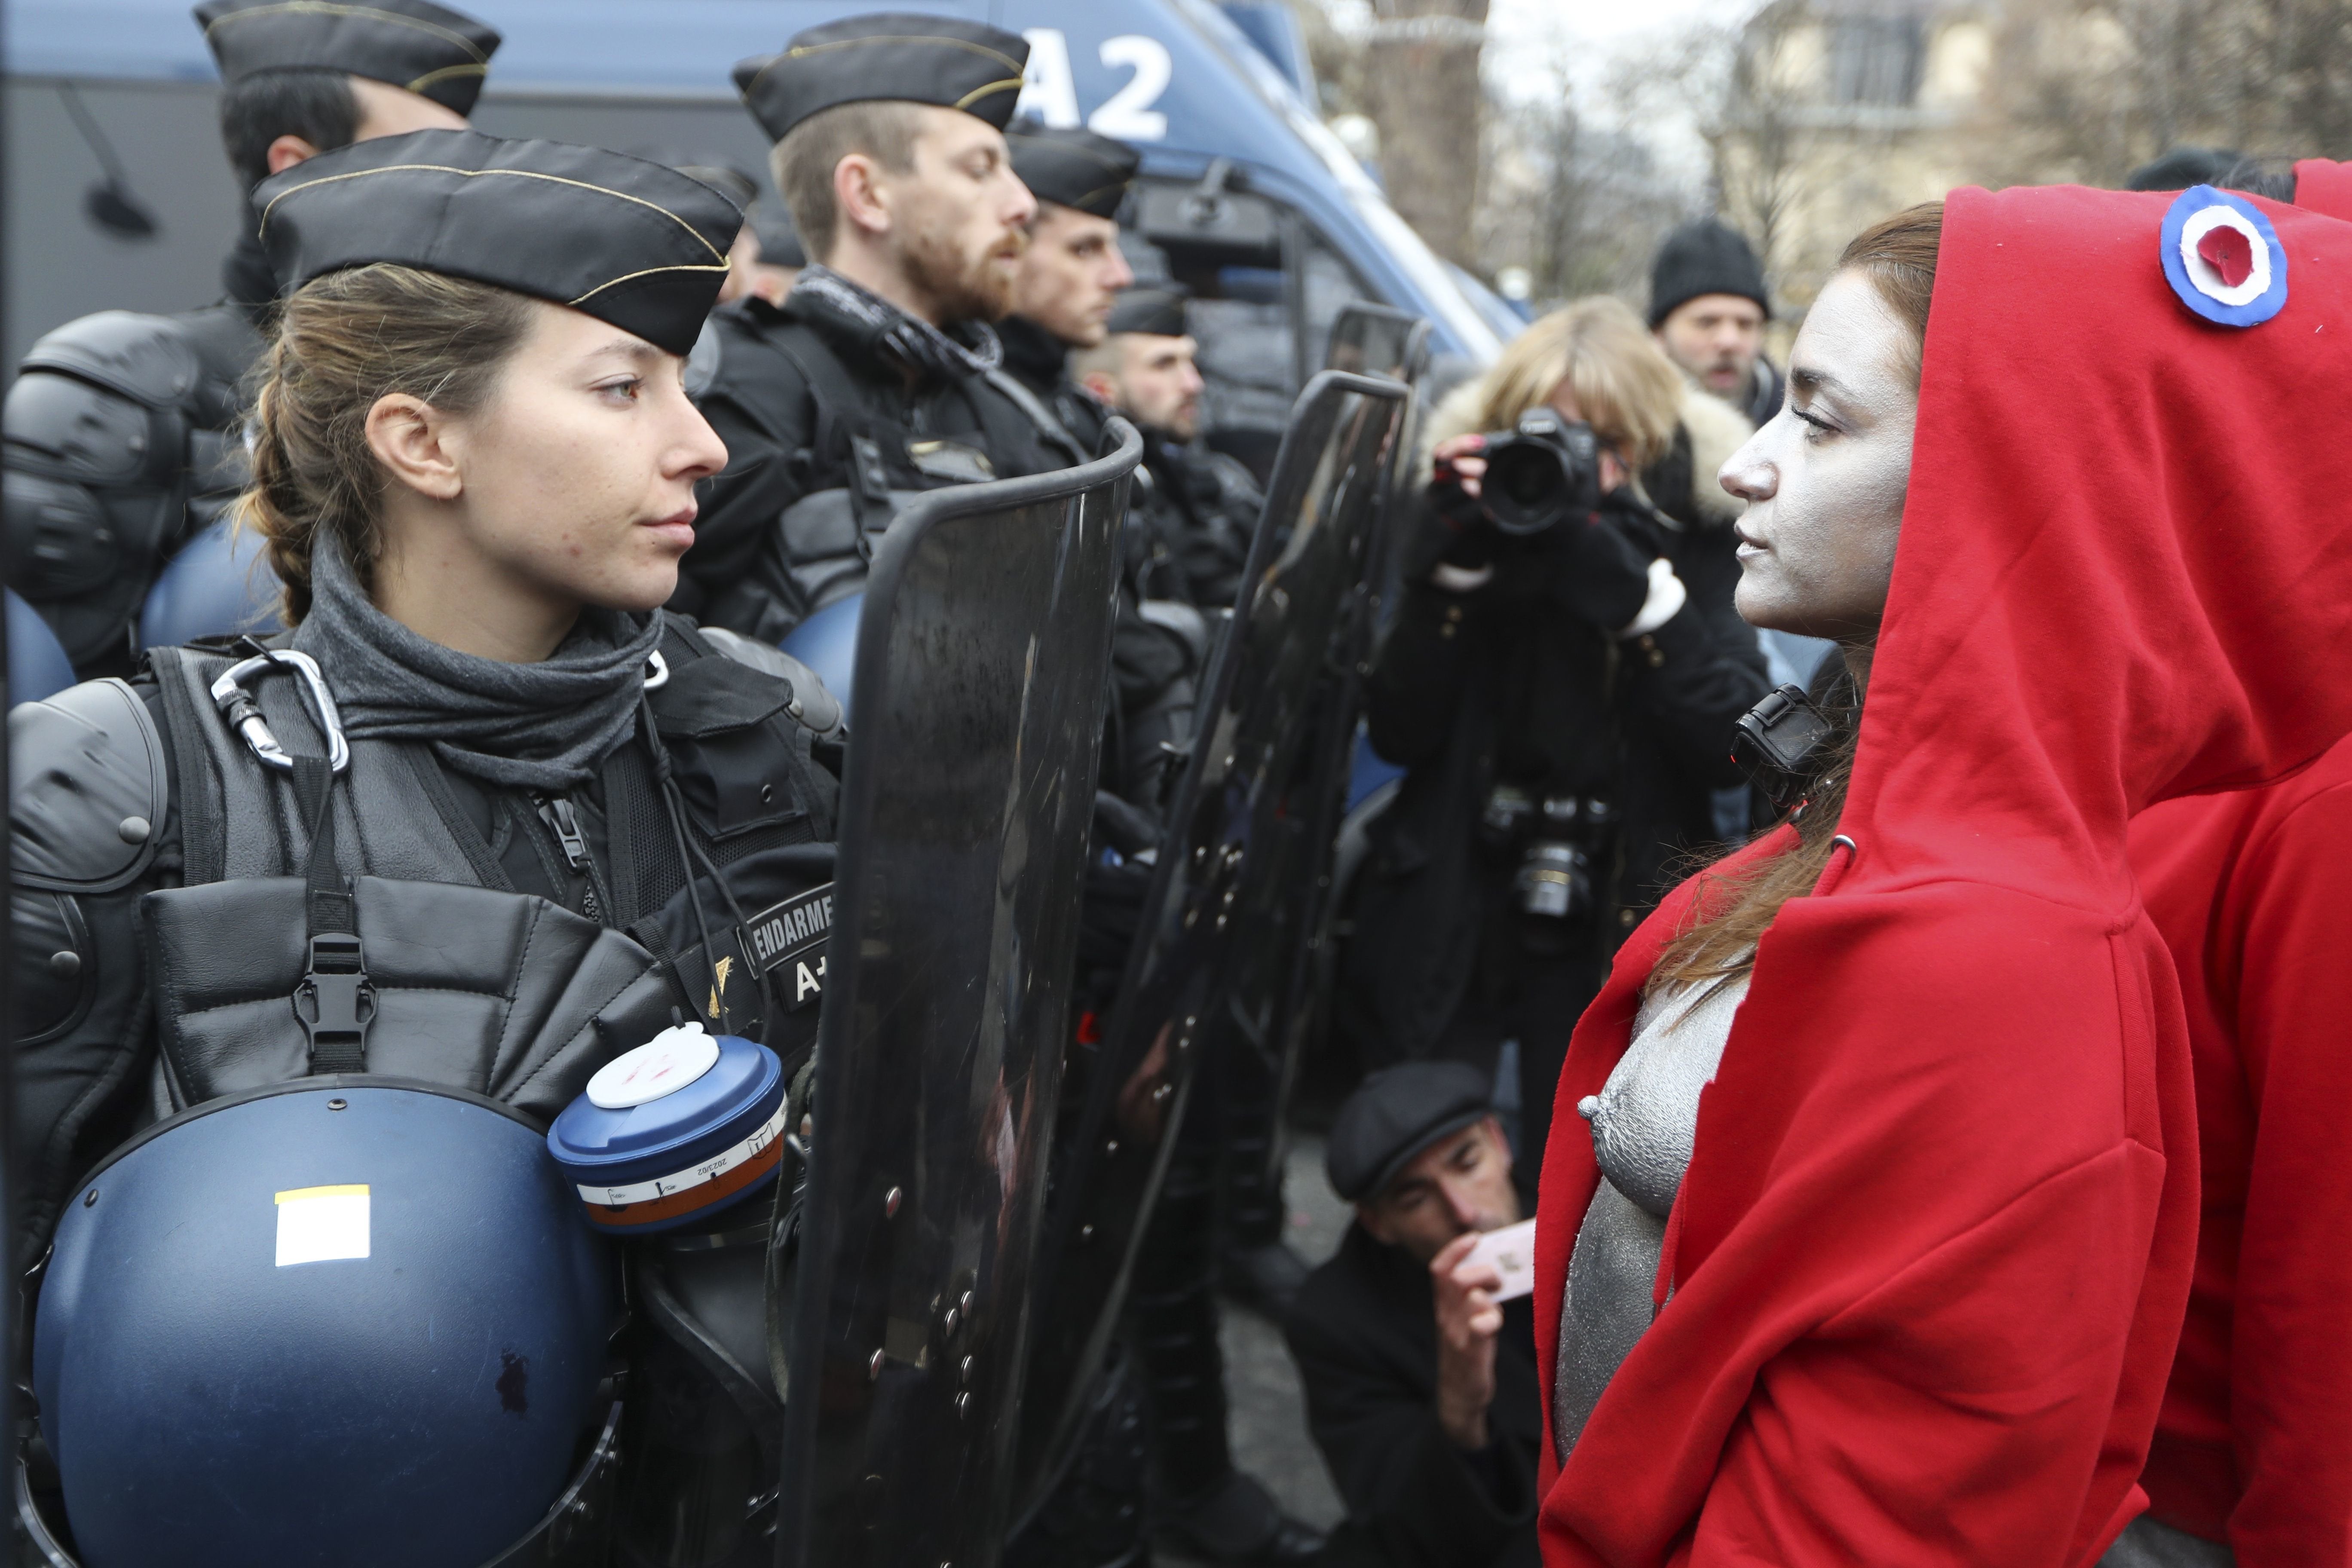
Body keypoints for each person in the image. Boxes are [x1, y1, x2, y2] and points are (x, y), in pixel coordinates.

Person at [9, 128, 842, 1564]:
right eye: (622, 387)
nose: (700, 441)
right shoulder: (125, 791)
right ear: (421, 441)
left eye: (682, 383)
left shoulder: (764, 729)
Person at [1528, 185, 2352, 1563]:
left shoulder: (2002, 968)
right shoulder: (1894, 833)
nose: (1746, 467)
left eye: (1821, 419)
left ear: (2009, 477)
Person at [1338, 296, 1769, 1207]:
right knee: (1442, 1160)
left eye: (1602, 442)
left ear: (1646, 445)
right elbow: (1398, 732)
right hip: (1460, 895)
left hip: (1618, 897)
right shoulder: (1471, 515)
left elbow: (1732, 747)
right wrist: (1445, 580)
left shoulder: (1692, 526)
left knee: (1583, 1183)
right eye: (1544, 435)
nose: (1571, 465)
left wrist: (1645, 606)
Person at [2099, 157, 2352, 1568]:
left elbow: (2330, 1260)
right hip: (2071, 1458)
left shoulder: (2324, 776)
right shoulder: (2162, 666)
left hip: (2188, 1506)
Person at [2, 0, 498, 680]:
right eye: (424, 160)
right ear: (296, 167)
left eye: (466, 164)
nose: (460, 192)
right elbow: (48, 713)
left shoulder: (486, 389)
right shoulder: (118, 395)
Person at [674, 12, 1070, 641]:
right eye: (980, 169)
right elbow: (620, 652)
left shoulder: (1017, 416)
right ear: (867, 195)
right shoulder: (737, 396)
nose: (1023, 203)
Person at [1286, 1063, 1541, 1568]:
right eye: (1417, 1197)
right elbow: (1400, 1516)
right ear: (1377, 1223)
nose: (1464, 1212)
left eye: (1468, 1163)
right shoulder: (1337, 1319)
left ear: (1498, 1141)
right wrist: (1460, 1410)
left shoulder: (1590, 1205)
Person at [1072, 286, 1261, 610]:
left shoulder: (1197, 468)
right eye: (1164, 365)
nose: (1194, 384)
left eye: (1191, 361)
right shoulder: (1096, 497)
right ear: (1101, 391)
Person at [1647, 218, 1780, 428]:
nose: (1729, 341)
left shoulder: (1805, 427)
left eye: (1745, 324)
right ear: (1659, 334)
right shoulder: (1617, 430)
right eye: (1707, 323)